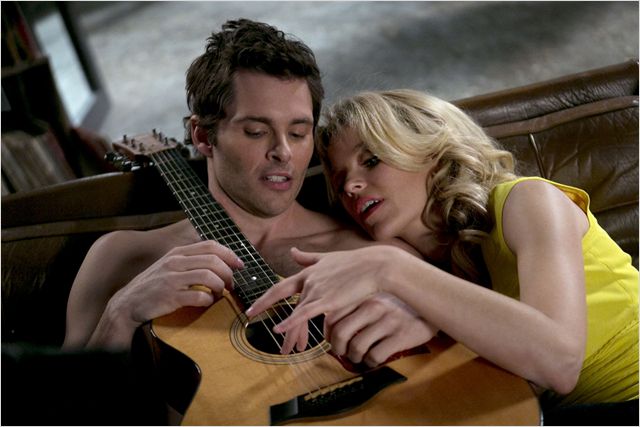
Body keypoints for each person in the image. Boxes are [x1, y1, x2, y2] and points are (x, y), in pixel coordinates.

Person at [247, 89, 639, 409]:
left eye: (371, 160)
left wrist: (389, 268)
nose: (351, 186)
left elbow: (559, 361)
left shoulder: (527, 200)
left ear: (430, 152)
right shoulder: (435, 274)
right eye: (340, 178)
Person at [62, 20, 429, 353]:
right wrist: (120, 314)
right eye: (256, 131)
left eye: (298, 133)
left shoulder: (377, 254)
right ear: (203, 136)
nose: (283, 152)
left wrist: (425, 320)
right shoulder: (120, 255)